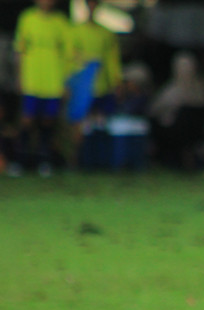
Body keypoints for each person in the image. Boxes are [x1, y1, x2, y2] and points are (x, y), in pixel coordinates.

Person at [11, 0, 71, 177]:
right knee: (27, 120)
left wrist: (65, 81)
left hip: (53, 81)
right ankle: (20, 160)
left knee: (48, 121)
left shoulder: (60, 21)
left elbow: (67, 54)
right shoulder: (27, 18)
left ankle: (43, 161)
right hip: (32, 79)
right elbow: (19, 50)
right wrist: (19, 77)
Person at [67, 0, 122, 152]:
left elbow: (112, 60)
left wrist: (116, 82)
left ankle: (99, 157)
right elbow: (70, 59)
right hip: (82, 87)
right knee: (79, 122)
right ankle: (77, 158)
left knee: (101, 122)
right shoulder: (74, 32)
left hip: (101, 85)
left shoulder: (106, 34)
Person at [150, 51, 204, 169]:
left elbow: (153, 110)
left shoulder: (172, 90)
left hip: (175, 134)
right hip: (195, 134)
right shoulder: (202, 89)